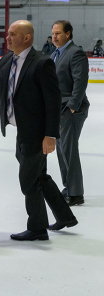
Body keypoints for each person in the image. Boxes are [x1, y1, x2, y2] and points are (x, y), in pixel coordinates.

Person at [0, 20, 77, 241]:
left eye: (13, 34)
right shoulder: (7, 61)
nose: (7, 38)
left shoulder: (42, 63)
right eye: (8, 34)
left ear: (27, 38)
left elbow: (52, 103)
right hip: (22, 132)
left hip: (37, 134)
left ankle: (37, 228)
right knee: (38, 177)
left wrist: (50, 135)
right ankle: (65, 216)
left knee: (28, 181)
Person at [51, 20, 89, 206]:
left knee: (69, 150)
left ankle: (75, 194)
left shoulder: (76, 53)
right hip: (59, 110)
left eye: (58, 33)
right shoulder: (55, 54)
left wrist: (72, 106)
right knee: (62, 151)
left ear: (68, 34)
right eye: (53, 33)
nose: (54, 37)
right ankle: (68, 187)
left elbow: (80, 81)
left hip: (70, 110)